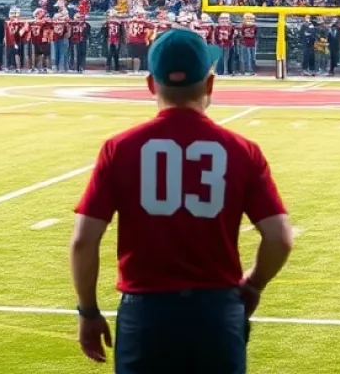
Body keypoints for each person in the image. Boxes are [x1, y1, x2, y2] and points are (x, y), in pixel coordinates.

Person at [70, 28, 293, 373]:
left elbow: (84, 241)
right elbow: (279, 238)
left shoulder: (120, 149)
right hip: (216, 314)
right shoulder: (243, 151)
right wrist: (253, 285)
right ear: (210, 84)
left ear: (150, 84)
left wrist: (87, 311)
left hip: (146, 316)